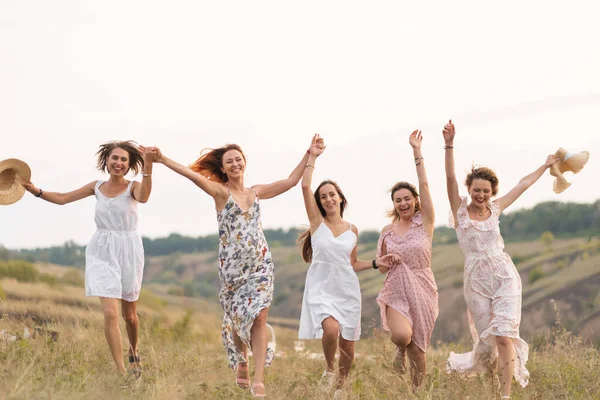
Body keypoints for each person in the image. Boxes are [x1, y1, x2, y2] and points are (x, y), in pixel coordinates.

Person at [150, 137, 315, 398]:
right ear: (224, 169)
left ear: (244, 163)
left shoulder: (256, 192)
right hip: (233, 272)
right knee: (239, 322)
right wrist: (162, 159)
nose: (235, 163)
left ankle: (259, 380)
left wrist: (310, 155)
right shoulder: (220, 193)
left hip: (261, 266)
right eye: (230, 161)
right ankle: (242, 359)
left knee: (260, 317)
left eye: (238, 159)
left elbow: (290, 182)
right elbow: (192, 177)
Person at [442, 120, 558, 399]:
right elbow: (449, 178)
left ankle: (505, 396)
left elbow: (523, 184)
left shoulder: (495, 209)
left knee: (505, 334)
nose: (481, 195)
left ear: (492, 192)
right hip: (476, 280)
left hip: (504, 274)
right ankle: (492, 381)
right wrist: (449, 144)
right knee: (490, 340)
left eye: (486, 191)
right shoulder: (459, 211)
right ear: (469, 188)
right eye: (476, 189)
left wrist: (544, 167)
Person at [22, 140, 155, 378]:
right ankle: (122, 372)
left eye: (124, 159)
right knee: (110, 313)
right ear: (106, 160)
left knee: (130, 317)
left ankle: (134, 351)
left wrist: (148, 167)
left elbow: (144, 197)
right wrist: (36, 191)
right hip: (101, 251)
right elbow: (63, 198)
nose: (119, 163)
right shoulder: (97, 187)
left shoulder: (133, 187)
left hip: (129, 251)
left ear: (129, 165)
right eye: (115, 158)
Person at [297, 135, 400, 398]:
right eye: (324, 197)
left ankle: (340, 388)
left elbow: (352, 263)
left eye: (332, 194)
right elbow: (305, 187)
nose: (328, 199)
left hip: (347, 289)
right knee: (331, 330)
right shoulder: (316, 223)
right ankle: (329, 371)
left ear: (340, 198)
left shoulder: (353, 229)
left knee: (349, 348)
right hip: (321, 287)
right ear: (320, 202)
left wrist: (378, 262)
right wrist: (313, 157)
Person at [376, 130, 439, 388]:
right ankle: (399, 349)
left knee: (418, 345)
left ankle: (416, 391)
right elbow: (380, 268)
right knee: (402, 336)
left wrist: (417, 151)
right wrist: (385, 260)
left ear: (415, 201)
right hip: (396, 287)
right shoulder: (387, 231)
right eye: (398, 200)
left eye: (407, 199)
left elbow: (425, 185)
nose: (403, 203)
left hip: (423, 285)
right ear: (394, 204)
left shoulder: (425, 223)